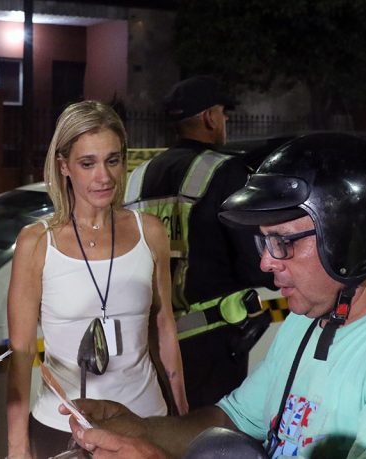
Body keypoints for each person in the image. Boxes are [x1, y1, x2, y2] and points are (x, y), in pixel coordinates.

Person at [63, 133, 366, 458]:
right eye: (263, 242)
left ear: (349, 241)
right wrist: (139, 429)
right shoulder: (309, 318)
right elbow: (232, 420)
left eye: (282, 242)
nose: (266, 262)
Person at [6, 100, 188, 459]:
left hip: (146, 420)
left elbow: (164, 326)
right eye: (87, 163)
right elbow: (22, 353)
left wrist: (182, 416)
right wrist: (17, 447)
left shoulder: (150, 232)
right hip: (62, 427)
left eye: (113, 160)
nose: (103, 177)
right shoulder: (37, 242)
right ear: (64, 166)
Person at [124, 75, 274, 408]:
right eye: (222, 113)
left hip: (150, 344)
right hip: (211, 344)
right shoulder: (226, 172)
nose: (224, 121)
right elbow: (257, 263)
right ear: (209, 117)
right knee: (209, 433)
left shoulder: (137, 177)